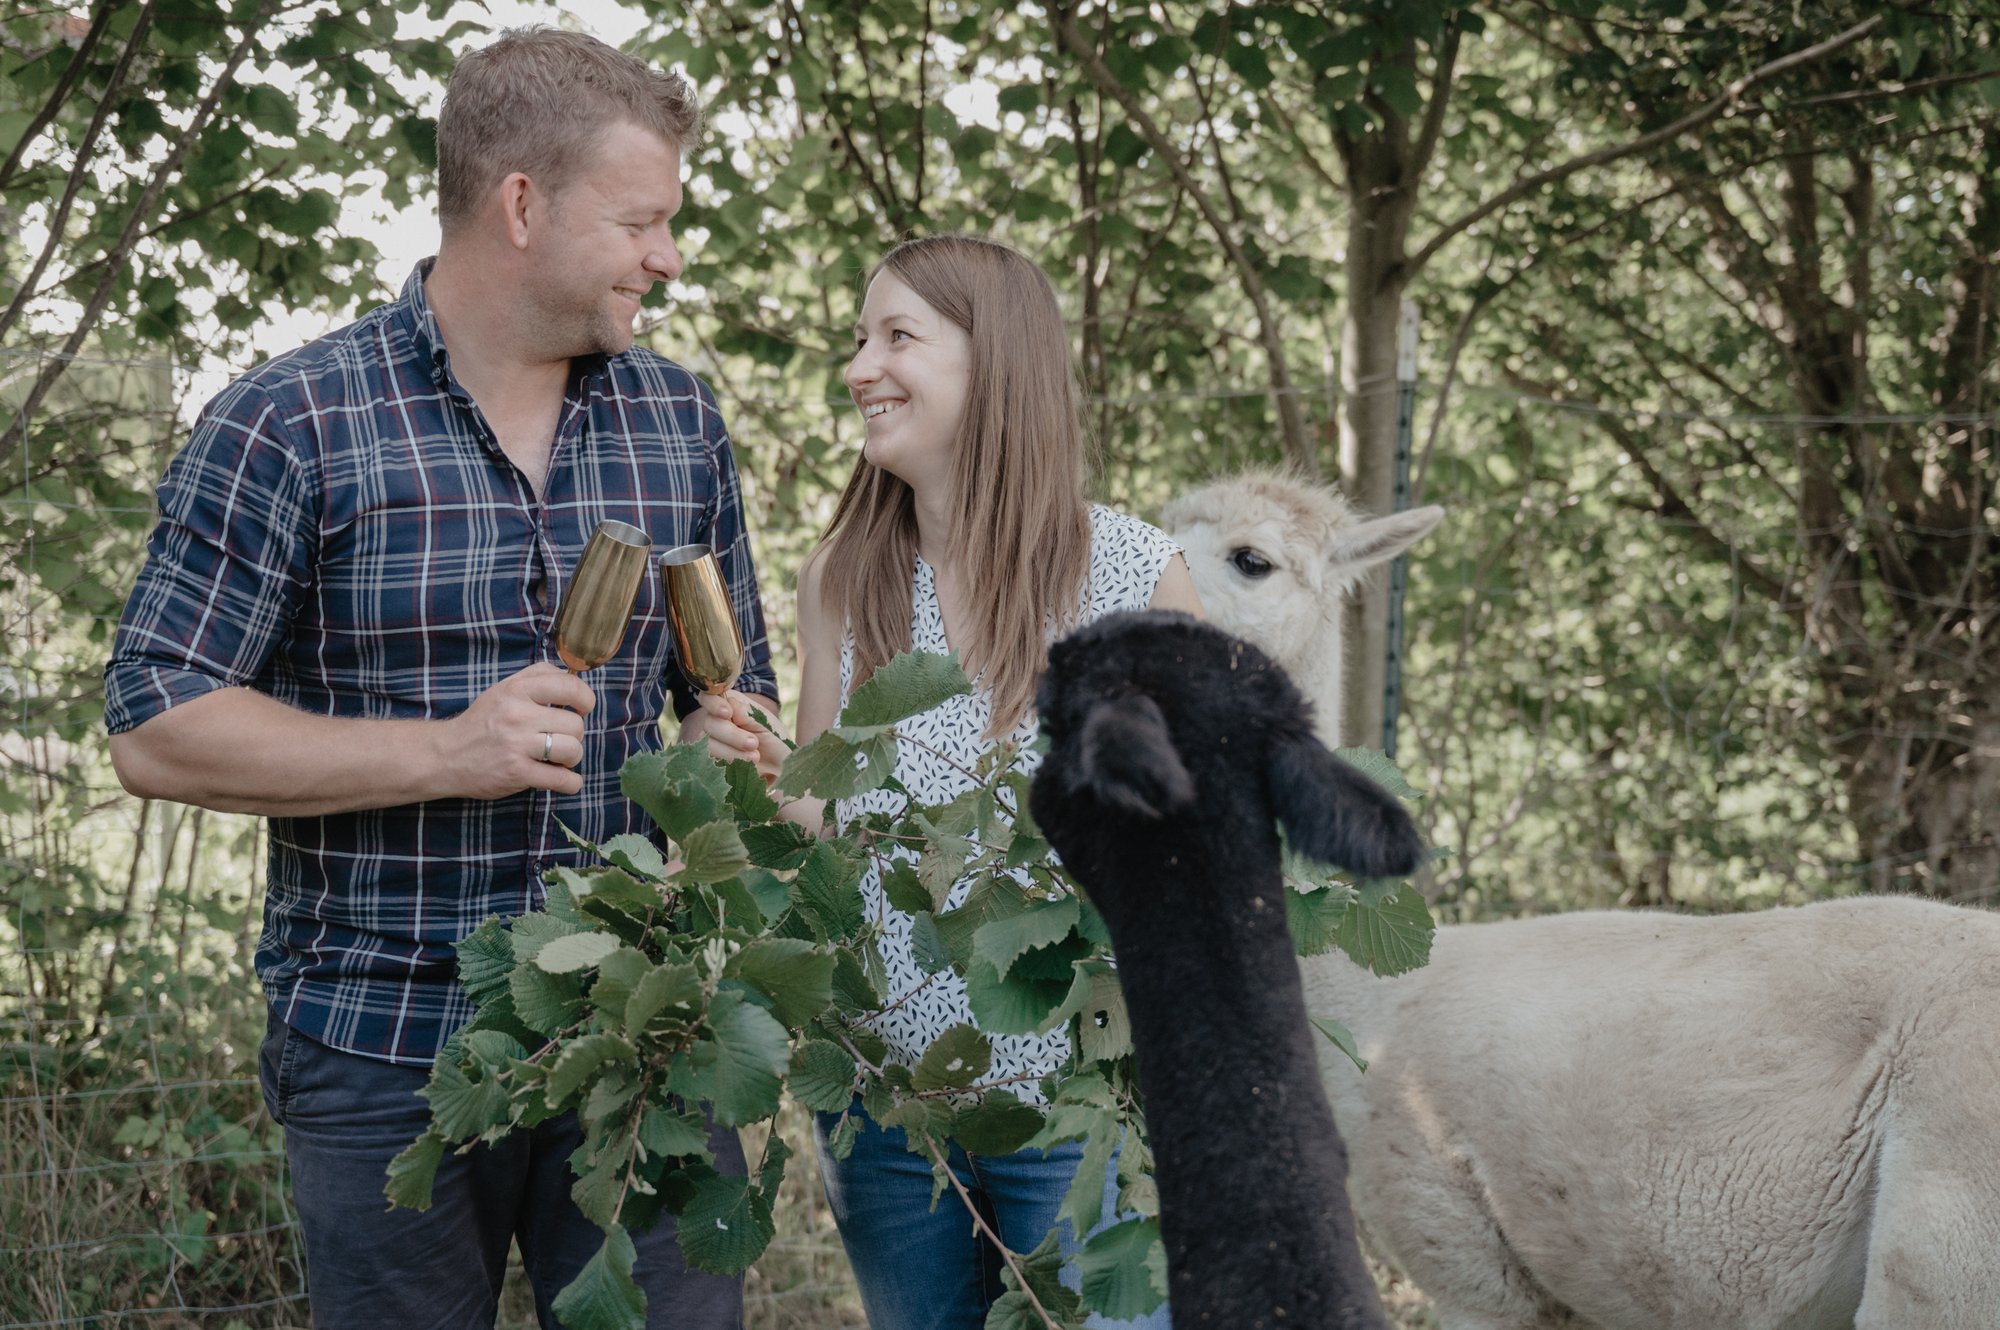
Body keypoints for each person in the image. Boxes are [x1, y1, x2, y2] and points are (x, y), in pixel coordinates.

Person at [103, 29, 777, 1329]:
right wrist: (443, 752)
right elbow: (155, 726)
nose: (669, 256)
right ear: (522, 205)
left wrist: (724, 749)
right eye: (639, 220)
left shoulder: (678, 420)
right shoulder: (291, 422)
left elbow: (725, 692)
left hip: (646, 1034)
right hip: (385, 1049)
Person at [783, 234, 1200, 1329]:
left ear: (996, 363)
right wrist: (759, 784)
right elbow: (818, 822)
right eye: (858, 339)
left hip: (1073, 1109)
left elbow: (1194, 847)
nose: (860, 368)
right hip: (886, 1113)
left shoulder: (1130, 575)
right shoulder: (842, 579)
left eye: (897, 337)